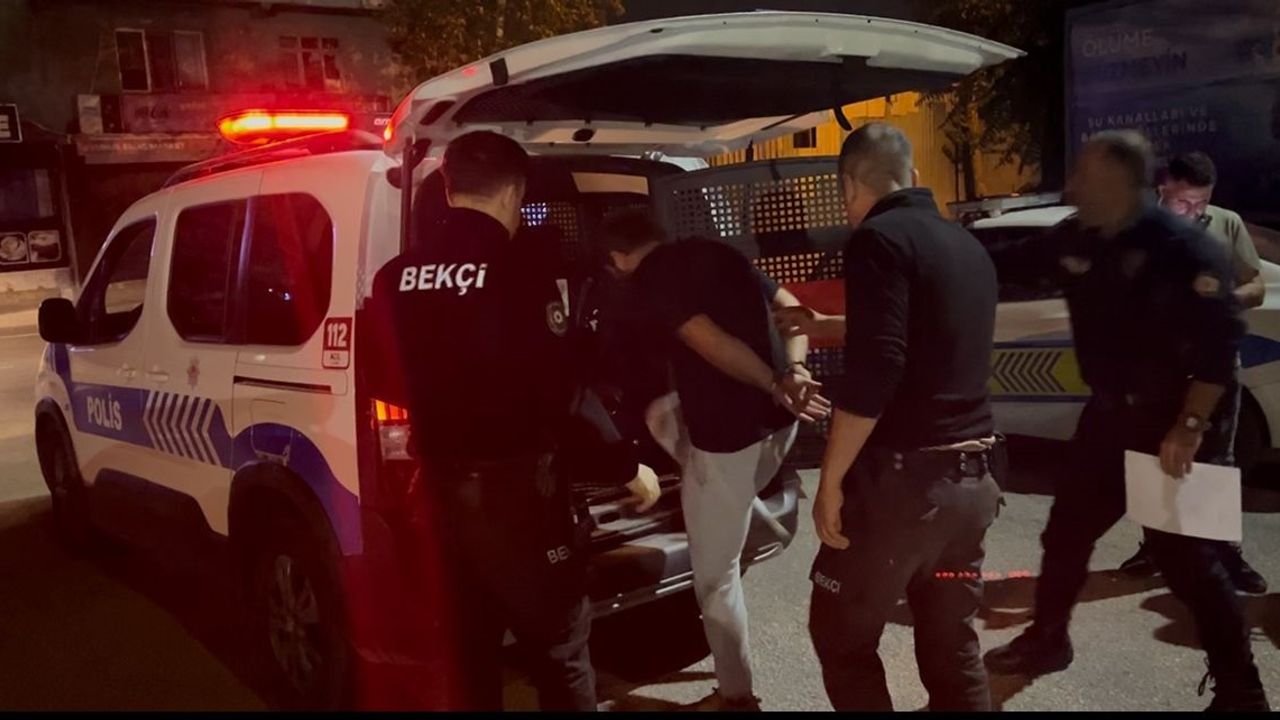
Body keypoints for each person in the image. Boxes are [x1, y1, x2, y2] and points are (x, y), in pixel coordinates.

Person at [368, 131, 662, 711]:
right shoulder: (519, 272)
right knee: (559, 652)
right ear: (514, 192)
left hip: (438, 499)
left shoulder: (394, 277)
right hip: (518, 502)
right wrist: (626, 467)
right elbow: (562, 394)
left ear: (448, 188)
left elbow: (384, 381)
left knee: (468, 653)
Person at [982, 131, 1269, 712]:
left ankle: (1242, 691)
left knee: (1191, 565)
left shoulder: (1184, 249)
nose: (1074, 185)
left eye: (1086, 175)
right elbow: (1003, 263)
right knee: (1065, 534)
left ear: (1121, 182)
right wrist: (937, 247)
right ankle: (1048, 640)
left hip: (1178, 424)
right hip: (1111, 419)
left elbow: (1219, 351)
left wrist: (1188, 428)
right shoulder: (1080, 237)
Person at [773, 122, 1002, 711]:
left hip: (902, 494)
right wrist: (828, 326)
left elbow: (878, 370)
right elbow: (924, 331)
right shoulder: (965, 245)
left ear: (850, 185)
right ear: (914, 177)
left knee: (841, 636)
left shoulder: (877, 240)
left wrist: (830, 482)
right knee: (953, 647)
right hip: (971, 489)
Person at [598, 209, 829, 712]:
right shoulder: (718, 251)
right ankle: (742, 512)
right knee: (664, 414)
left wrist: (775, 382)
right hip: (779, 428)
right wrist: (793, 369)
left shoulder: (652, 278)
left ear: (618, 257)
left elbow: (708, 341)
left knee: (714, 577)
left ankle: (736, 695)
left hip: (730, 441)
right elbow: (793, 309)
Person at [1117, 151, 1268, 595]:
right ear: (1162, 190)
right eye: (1184, 202)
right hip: (1155, 370)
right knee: (1151, 460)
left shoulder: (1226, 223)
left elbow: (1256, 284)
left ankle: (1225, 555)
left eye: (1202, 202)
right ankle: (1155, 548)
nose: (1194, 212)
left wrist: (1226, 301)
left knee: (1217, 463)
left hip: (1217, 368)